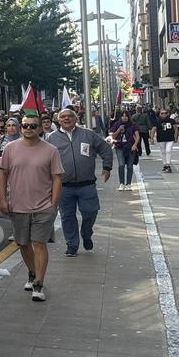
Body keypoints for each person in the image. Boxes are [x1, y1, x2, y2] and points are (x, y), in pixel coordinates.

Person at [0, 113, 62, 301]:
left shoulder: (51, 150)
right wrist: (3, 199)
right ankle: (32, 272)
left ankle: (39, 284)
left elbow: (58, 177)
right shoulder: (10, 148)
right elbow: (2, 174)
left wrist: (54, 203)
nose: (28, 129)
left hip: (44, 207)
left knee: (39, 243)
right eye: (25, 125)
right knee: (23, 243)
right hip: (18, 206)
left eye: (33, 126)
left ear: (41, 128)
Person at [45, 108, 114, 257]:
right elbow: (44, 160)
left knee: (91, 211)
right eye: (63, 117)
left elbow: (105, 149)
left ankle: (86, 233)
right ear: (58, 120)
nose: (66, 119)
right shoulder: (51, 138)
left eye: (70, 116)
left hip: (87, 185)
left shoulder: (88, 134)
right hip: (63, 187)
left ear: (76, 119)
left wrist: (107, 167)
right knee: (67, 216)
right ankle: (72, 245)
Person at [109, 111, 142, 190]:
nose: (124, 117)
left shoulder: (133, 125)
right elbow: (112, 136)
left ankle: (129, 184)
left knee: (130, 166)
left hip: (130, 147)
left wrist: (135, 145)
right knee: (121, 164)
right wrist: (119, 129)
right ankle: (121, 183)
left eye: (126, 116)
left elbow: (138, 136)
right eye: (123, 116)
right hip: (120, 146)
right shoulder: (117, 124)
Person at [155, 108, 177, 172]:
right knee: (163, 152)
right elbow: (154, 129)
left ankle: (168, 164)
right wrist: (151, 138)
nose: (164, 114)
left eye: (165, 113)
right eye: (162, 113)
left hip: (170, 138)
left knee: (168, 151)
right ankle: (165, 164)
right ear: (159, 114)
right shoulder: (157, 121)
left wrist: (175, 137)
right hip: (161, 138)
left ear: (168, 114)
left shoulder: (172, 120)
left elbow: (175, 129)